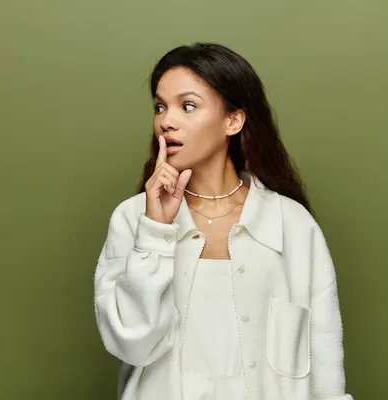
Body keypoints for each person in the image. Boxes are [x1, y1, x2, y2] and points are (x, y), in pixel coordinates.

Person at [93, 43, 353, 400]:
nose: (166, 120)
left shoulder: (292, 225)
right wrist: (155, 231)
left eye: (187, 106)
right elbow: (130, 343)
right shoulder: (133, 219)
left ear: (233, 120)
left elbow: (324, 364)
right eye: (160, 107)